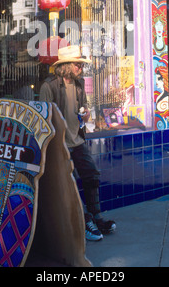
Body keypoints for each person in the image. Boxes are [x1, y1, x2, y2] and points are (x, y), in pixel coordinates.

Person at [39, 45, 116, 241]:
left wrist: (86, 113)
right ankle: (84, 222)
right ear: (65, 66)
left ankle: (96, 217)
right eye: (77, 64)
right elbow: (43, 119)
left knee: (91, 175)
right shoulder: (49, 86)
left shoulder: (80, 83)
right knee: (70, 183)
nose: (80, 67)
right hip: (59, 145)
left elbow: (83, 107)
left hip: (77, 140)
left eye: (81, 64)